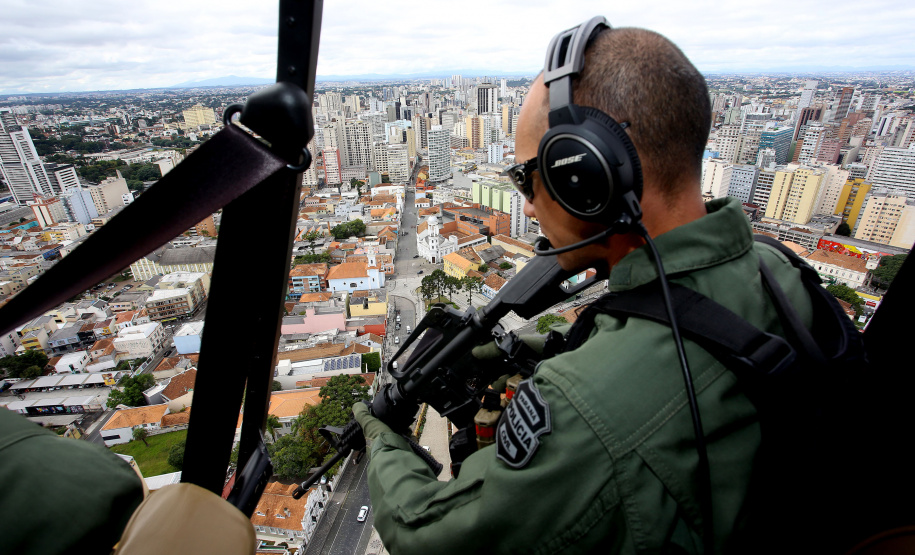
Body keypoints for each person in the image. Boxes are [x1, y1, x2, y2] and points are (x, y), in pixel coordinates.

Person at [353, 21, 815, 554]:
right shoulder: (777, 268)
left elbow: (428, 534)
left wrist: (380, 432)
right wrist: (524, 350)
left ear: (587, 175)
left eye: (528, 178)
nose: (526, 205)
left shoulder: (586, 410)